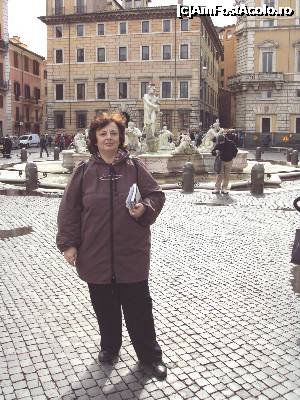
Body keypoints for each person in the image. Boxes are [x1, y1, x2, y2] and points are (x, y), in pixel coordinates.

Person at [56, 112, 167, 379]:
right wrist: (69, 244)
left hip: (132, 252)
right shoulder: (84, 171)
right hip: (95, 253)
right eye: (103, 133)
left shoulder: (136, 167)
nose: (108, 137)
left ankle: (150, 357)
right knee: (104, 306)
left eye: (113, 133)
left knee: (139, 308)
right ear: (95, 138)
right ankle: (110, 347)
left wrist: (144, 208)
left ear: (121, 137)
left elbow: (156, 195)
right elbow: (69, 210)